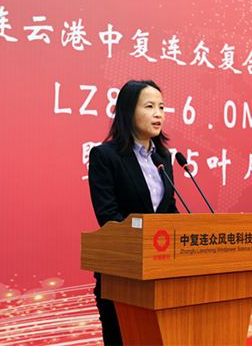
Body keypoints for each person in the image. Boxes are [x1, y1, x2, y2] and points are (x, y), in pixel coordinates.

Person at [88, 80, 179, 346]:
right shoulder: (105, 156)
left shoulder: (163, 157)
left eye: (161, 107)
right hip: (123, 276)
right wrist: (148, 242)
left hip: (161, 275)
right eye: (149, 106)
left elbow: (169, 211)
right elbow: (108, 216)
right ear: (128, 111)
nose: (158, 114)